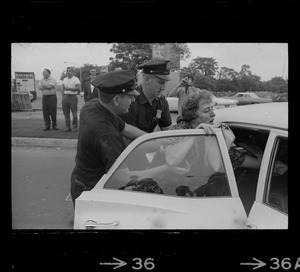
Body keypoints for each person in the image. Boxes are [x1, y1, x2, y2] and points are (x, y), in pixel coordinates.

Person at [70, 69, 149, 207]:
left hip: (80, 180)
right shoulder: (107, 134)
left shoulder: (93, 105)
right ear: (117, 100)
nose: (133, 100)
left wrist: (155, 139)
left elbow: (125, 128)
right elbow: (124, 177)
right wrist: (167, 168)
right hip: (91, 193)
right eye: (130, 96)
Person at [165, 89, 288, 177]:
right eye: (206, 110)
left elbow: (236, 158)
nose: (213, 114)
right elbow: (172, 160)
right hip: (166, 190)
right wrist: (195, 133)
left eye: (212, 109)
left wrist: (274, 166)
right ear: (193, 115)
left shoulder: (213, 133)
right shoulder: (178, 130)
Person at [120, 59, 173, 134]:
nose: (163, 88)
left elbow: (167, 131)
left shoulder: (162, 102)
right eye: (160, 82)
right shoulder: (130, 102)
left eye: (165, 83)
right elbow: (128, 137)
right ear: (146, 79)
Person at [62, 67, 81, 132]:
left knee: (74, 113)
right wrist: (63, 97)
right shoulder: (64, 79)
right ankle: (68, 127)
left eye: (69, 71)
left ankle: (75, 127)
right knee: (66, 113)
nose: (68, 72)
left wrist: (69, 89)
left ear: (72, 72)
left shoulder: (76, 79)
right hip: (66, 96)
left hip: (73, 97)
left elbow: (78, 88)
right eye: (67, 71)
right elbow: (63, 89)